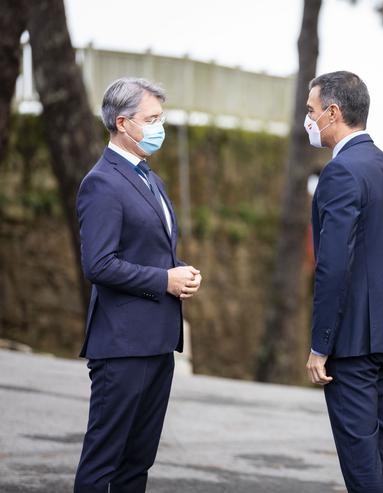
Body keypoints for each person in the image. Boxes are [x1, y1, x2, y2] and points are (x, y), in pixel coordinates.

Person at [74, 77, 202, 493]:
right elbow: (99, 264)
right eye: (152, 119)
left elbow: (148, 248)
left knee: (137, 463)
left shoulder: (148, 175)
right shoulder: (102, 182)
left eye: (160, 117)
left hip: (157, 343)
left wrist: (178, 270)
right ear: (123, 123)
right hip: (121, 346)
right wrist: (164, 280)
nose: (159, 126)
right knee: (103, 461)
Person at [304, 71, 383, 493]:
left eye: (312, 111)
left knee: (361, 461)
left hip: (352, 345)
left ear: (333, 113)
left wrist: (320, 345)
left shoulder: (341, 173)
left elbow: (333, 266)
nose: (308, 120)